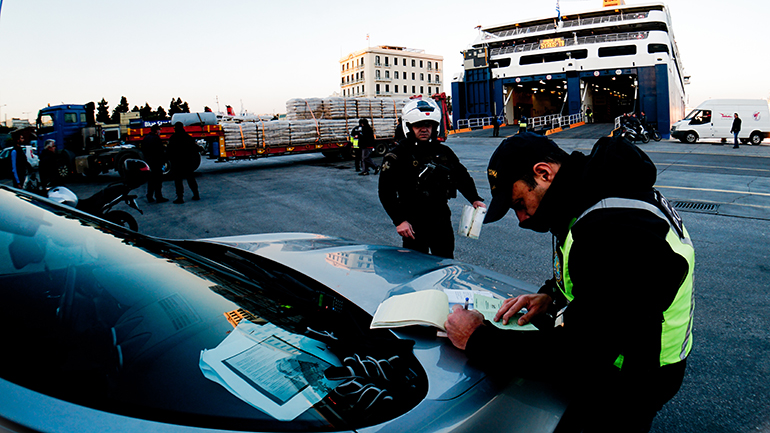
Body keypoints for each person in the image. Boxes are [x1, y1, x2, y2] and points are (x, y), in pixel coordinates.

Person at [444, 132, 694, 432]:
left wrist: (476, 338)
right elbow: (604, 279)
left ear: (543, 173)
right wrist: (552, 293)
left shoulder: (615, 228)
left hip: (635, 373)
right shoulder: (592, 195)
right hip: (625, 348)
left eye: (520, 203)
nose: (522, 219)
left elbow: (580, 355)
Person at [378, 99, 485, 259]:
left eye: (428, 125)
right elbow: (386, 192)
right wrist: (399, 221)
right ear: (409, 126)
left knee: (445, 261)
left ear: (434, 127)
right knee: (415, 265)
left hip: (440, 217)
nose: (424, 129)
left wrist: (475, 198)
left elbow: (461, 176)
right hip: (413, 220)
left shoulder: (444, 152)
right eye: (418, 125)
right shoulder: (397, 155)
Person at [167, 122, 200, 204]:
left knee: (178, 181)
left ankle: (180, 197)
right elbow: (195, 150)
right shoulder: (188, 137)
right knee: (191, 179)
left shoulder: (173, 138)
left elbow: (169, 151)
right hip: (188, 162)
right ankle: (196, 194)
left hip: (177, 163)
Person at [141, 124, 169, 203]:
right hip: (156, 162)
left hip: (149, 162)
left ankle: (149, 196)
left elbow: (143, 149)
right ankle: (159, 197)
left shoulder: (146, 138)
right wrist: (163, 161)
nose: (160, 131)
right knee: (158, 181)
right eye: (159, 130)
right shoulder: (156, 139)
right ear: (156, 131)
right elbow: (160, 151)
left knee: (151, 181)